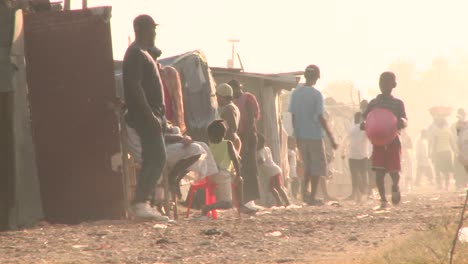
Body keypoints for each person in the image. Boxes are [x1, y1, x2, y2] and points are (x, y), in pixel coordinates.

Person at [122, 15, 168, 220]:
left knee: (153, 158)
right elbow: (134, 85)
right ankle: (140, 203)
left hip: (151, 114)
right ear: (140, 29)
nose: (155, 33)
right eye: (151, 29)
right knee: (157, 158)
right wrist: (149, 114)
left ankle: (142, 202)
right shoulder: (135, 53)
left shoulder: (143, 53)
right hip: (145, 115)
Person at [288, 65, 338, 206]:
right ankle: (312, 196)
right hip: (315, 136)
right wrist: (331, 137)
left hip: (301, 136)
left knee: (308, 166)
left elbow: (293, 115)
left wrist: (296, 134)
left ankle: (305, 193)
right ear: (316, 78)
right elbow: (320, 117)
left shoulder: (296, 93)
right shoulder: (317, 95)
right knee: (317, 167)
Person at [361, 71, 407, 209]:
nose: (384, 86)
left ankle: (395, 187)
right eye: (382, 83)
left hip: (393, 139)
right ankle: (383, 200)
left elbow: (405, 120)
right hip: (378, 141)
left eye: (387, 83)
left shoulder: (397, 104)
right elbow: (365, 118)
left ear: (394, 85)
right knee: (379, 172)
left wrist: (401, 122)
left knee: (394, 172)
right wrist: (363, 125)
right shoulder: (374, 103)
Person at [199, 120, 256, 218]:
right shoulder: (228, 144)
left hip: (211, 175)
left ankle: (241, 206)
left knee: (239, 181)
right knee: (228, 204)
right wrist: (238, 174)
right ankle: (207, 208)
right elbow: (235, 160)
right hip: (222, 174)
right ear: (224, 134)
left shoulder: (209, 146)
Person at [228, 79, 262, 209]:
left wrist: (246, 142)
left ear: (238, 88)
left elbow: (250, 122)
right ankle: (241, 200)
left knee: (250, 168)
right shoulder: (234, 102)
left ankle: (250, 200)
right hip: (239, 138)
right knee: (240, 168)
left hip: (248, 137)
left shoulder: (247, 99)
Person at [341, 112, 370, 203]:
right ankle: (364, 194)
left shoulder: (351, 129)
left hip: (352, 156)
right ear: (361, 118)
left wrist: (343, 153)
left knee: (354, 177)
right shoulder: (365, 129)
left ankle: (355, 195)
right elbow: (371, 139)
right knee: (363, 175)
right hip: (363, 156)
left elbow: (344, 141)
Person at [257, 133, 290, 207]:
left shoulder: (259, 152)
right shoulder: (267, 148)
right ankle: (283, 202)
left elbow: (262, 160)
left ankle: (282, 202)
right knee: (276, 188)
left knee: (274, 188)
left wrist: (256, 163)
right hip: (275, 170)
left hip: (271, 172)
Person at [216, 83, 241, 152]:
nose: (217, 100)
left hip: (228, 145)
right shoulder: (234, 107)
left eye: (218, 97)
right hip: (232, 143)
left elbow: (228, 130)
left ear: (223, 97)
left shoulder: (228, 110)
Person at [451, 108, 467, 189]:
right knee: (458, 166)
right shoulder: (454, 125)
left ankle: (463, 183)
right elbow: (453, 138)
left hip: (465, 149)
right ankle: (458, 183)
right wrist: (455, 148)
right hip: (458, 149)